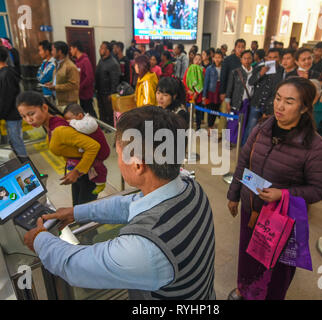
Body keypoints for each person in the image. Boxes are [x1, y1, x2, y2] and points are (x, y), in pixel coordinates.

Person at [23, 106, 216, 300]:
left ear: (137, 165)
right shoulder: (190, 187)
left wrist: (40, 240)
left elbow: (74, 265)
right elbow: (127, 205)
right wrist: (76, 212)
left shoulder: (145, 248)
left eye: (118, 153)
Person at [227, 77, 322, 300]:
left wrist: (283, 194)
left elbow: (320, 189)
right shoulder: (261, 129)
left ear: (304, 107)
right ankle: (244, 290)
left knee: (276, 268)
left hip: (281, 218)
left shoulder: (315, 146)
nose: (279, 106)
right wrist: (234, 195)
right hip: (251, 208)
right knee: (248, 257)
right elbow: (243, 162)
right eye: (277, 98)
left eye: (289, 101)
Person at [16, 91, 101, 205]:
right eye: (24, 116)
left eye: (31, 114)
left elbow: (93, 146)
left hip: (89, 173)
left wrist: (77, 171)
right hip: (80, 172)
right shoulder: (51, 125)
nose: (28, 120)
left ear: (45, 108)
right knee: (78, 210)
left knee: (84, 215)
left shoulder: (59, 129)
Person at [0, 45, 27, 162]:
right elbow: (3, 97)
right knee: (14, 142)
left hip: (13, 115)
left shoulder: (7, 74)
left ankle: (27, 167)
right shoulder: (5, 72)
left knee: (17, 143)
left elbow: (8, 99)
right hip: (10, 115)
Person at [63, 103, 111, 195]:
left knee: (98, 166)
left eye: (70, 119)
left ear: (80, 115)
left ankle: (101, 183)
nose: (69, 121)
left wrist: (71, 123)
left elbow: (84, 128)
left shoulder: (90, 122)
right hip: (90, 151)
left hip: (101, 152)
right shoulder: (80, 122)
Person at [246, 48, 284, 141]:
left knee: (266, 133)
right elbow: (250, 82)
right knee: (250, 129)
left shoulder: (282, 71)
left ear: (279, 58)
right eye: (270, 57)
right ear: (266, 58)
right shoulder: (259, 68)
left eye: (275, 57)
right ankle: (244, 149)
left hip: (270, 107)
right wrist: (261, 73)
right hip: (256, 104)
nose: (272, 60)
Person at [225, 50, 254, 146]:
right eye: (244, 58)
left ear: (252, 59)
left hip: (248, 103)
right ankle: (228, 141)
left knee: (243, 124)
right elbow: (229, 88)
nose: (247, 60)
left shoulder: (255, 73)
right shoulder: (235, 72)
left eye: (249, 58)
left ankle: (238, 142)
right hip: (235, 102)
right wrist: (227, 103)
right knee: (231, 123)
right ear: (241, 59)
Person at [45, 41, 80, 109]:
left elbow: (73, 85)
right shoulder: (57, 64)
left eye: (53, 50)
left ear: (59, 51)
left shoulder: (70, 66)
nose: (51, 52)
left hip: (68, 103)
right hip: (59, 100)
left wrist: (55, 87)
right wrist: (51, 83)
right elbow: (60, 80)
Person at [95, 41, 121, 126]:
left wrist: (112, 93)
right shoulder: (101, 60)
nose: (100, 49)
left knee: (109, 113)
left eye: (102, 48)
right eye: (100, 47)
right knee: (101, 111)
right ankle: (103, 126)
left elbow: (115, 80)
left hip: (108, 93)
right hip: (100, 91)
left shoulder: (113, 63)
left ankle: (110, 129)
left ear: (107, 50)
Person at [69, 40, 96, 118]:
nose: (70, 51)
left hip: (86, 93)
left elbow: (90, 78)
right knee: (84, 111)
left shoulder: (85, 61)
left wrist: (79, 87)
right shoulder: (77, 61)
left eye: (71, 49)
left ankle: (97, 127)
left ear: (75, 48)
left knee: (90, 112)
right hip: (81, 93)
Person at [203, 50, 223, 135]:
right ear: (213, 58)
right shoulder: (209, 68)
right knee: (211, 109)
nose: (217, 59)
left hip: (220, 90)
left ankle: (213, 125)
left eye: (219, 57)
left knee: (217, 108)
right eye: (216, 57)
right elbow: (206, 82)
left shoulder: (224, 68)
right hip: (211, 91)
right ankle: (210, 127)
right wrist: (204, 95)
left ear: (222, 58)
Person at [183, 53, 205, 130]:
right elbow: (185, 81)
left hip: (198, 96)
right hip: (189, 95)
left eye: (199, 59)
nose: (197, 61)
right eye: (196, 59)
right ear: (193, 60)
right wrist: (188, 90)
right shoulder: (188, 69)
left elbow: (203, 83)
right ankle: (189, 127)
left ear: (201, 61)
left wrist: (197, 93)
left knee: (198, 113)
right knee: (189, 113)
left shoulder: (203, 70)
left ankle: (198, 128)